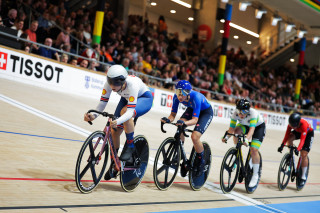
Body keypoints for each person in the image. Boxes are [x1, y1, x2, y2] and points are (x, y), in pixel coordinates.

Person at [84, 65, 153, 180]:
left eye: (115, 83)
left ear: (123, 81)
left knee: (124, 112)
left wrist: (118, 120)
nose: (112, 86)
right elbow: (102, 104)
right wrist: (93, 116)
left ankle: (130, 146)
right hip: (126, 98)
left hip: (144, 98)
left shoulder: (132, 84)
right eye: (110, 82)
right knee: (114, 131)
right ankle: (114, 162)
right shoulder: (109, 84)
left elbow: (130, 112)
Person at [161, 80, 213, 177]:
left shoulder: (196, 97)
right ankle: (179, 152)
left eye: (182, 93)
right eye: (177, 92)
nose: (179, 96)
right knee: (179, 127)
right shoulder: (176, 98)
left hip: (205, 112)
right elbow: (172, 115)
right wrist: (168, 120)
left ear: (188, 92)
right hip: (192, 108)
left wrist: (184, 123)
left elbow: (194, 120)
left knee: (195, 137)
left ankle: (201, 161)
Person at [222, 99, 266, 188]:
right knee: (236, 132)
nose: (241, 114)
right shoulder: (235, 113)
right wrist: (226, 137)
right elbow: (231, 129)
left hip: (258, 128)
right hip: (245, 126)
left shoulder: (253, 113)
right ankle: (236, 152)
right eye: (239, 111)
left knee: (253, 149)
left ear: (248, 111)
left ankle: (255, 174)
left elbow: (252, 130)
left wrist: (246, 140)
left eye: (244, 112)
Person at [278, 112, 314, 186]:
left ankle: (303, 176)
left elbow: (302, 140)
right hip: (298, 131)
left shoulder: (304, 125)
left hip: (308, 134)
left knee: (303, 154)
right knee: (289, 139)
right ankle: (291, 157)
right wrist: (282, 145)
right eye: (292, 126)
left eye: (294, 126)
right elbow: (286, 135)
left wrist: (298, 149)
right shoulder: (291, 124)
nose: (292, 127)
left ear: (298, 123)